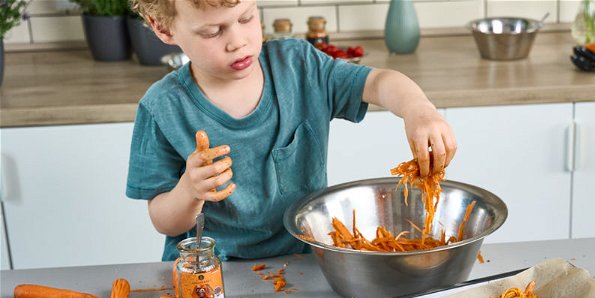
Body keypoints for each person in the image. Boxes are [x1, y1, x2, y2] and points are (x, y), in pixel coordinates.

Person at [126, 0, 457, 261]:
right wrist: (190, 190)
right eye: (213, 32)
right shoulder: (161, 107)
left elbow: (377, 82)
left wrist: (418, 109)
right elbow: (163, 221)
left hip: (305, 263)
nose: (237, 42)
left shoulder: (298, 66)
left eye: (246, 18)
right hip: (210, 274)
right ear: (163, 28)